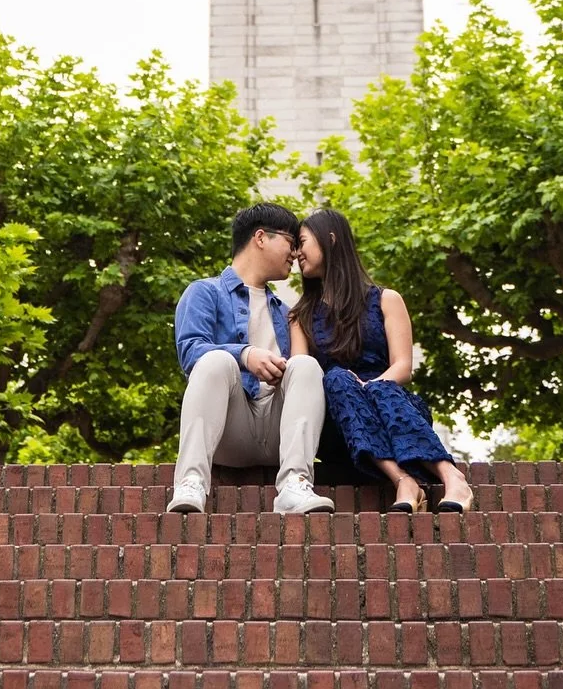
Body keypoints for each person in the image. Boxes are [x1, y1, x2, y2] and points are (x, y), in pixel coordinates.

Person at [289, 208, 474, 513]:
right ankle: (403, 479)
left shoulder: (386, 299)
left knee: (380, 388)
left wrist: (370, 385)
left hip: (394, 410)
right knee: (335, 377)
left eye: (303, 242)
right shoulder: (300, 316)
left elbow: (403, 366)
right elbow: (301, 377)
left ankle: (450, 478)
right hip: (338, 426)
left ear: (330, 240)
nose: (297, 253)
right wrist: (352, 386)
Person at [168, 203, 335, 516]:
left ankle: (294, 485)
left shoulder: (288, 313)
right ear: (261, 237)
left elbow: (304, 383)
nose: (295, 254)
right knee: (215, 361)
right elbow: (190, 351)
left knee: (307, 365)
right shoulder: (204, 293)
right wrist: (244, 355)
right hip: (228, 432)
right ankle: (190, 481)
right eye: (290, 242)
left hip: (277, 434)